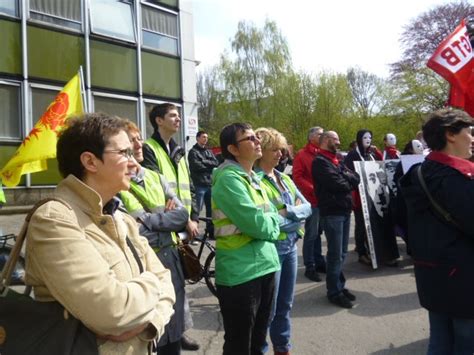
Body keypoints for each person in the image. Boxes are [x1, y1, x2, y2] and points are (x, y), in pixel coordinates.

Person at [24, 113, 175, 354]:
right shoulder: (54, 219)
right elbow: (113, 311)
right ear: (90, 162)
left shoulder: (120, 217)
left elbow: (167, 279)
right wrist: (153, 284)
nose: (134, 162)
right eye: (124, 153)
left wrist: (148, 324)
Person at [400, 108, 474, 354]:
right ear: (450, 135)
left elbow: (399, 222)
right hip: (464, 280)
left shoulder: (415, 173)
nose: (472, 138)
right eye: (469, 132)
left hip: (430, 274)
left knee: (440, 341)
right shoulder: (458, 181)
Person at [120, 121, 189, 355]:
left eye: (139, 137)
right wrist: (163, 218)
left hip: (171, 262)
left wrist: (149, 219)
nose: (139, 143)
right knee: (151, 337)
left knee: (173, 336)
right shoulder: (116, 184)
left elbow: (181, 215)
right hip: (143, 268)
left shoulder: (156, 177)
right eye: (131, 139)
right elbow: (133, 231)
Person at [212, 123, 281, 355]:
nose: (257, 141)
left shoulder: (253, 178)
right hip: (240, 273)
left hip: (265, 265)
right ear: (233, 149)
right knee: (239, 345)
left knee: (258, 341)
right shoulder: (228, 179)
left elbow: (274, 211)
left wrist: (272, 220)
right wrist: (275, 223)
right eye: (249, 139)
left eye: (256, 137)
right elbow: (258, 222)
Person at [142, 103, 200, 351]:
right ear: (158, 120)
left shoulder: (179, 150)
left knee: (180, 282)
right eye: (173, 116)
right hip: (167, 225)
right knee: (167, 283)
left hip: (182, 221)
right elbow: (158, 190)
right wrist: (182, 218)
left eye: (178, 115)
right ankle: (168, 333)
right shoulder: (149, 149)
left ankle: (179, 331)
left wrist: (193, 216)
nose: (178, 119)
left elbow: (190, 186)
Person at [254, 127, 311, 355]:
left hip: (289, 248)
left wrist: (289, 214)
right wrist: (294, 216)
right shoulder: (254, 180)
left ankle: (282, 347)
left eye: (281, 149)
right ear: (262, 151)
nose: (280, 154)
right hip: (271, 250)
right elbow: (266, 221)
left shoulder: (284, 177)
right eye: (274, 149)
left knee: (285, 305)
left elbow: (308, 206)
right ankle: (261, 349)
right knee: (268, 309)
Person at [313, 131, 360, 309]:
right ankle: (334, 292)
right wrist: (348, 181)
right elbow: (337, 184)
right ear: (326, 140)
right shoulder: (320, 162)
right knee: (334, 254)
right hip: (332, 213)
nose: (339, 142)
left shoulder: (336, 160)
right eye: (335, 139)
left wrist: (346, 179)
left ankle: (339, 286)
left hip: (344, 211)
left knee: (341, 253)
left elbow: (356, 177)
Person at [344, 129, 382, 266]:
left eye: (370, 137)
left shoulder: (370, 154)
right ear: (359, 139)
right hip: (358, 196)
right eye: (365, 137)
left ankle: (368, 248)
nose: (368, 140)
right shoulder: (352, 155)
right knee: (361, 224)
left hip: (371, 194)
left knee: (370, 224)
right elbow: (347, 173)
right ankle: (362, 252)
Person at [292, 126, 326, 282]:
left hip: (323, 200)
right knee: (311, 234)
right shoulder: (302, 154)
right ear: (311, 137)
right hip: (311, 200)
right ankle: (310, 266)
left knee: (319, 232)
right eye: (320, 134)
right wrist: (314, 189)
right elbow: (297, 177)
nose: (323, 136)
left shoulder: (323, 153)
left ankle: (319, 261)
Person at [187, 130, 219, 222]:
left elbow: (216, 163)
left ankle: (210, 230)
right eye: (203, 137)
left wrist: (204, 162)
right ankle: (194, 229)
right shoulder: (193, 152)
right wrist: (210, 165)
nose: (205, 139)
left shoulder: (209, 152)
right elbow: (197, 167)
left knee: (211, 210)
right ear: (197, 138)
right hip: (199, 185)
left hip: (209, 184)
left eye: (206, 137)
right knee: (197, 209)